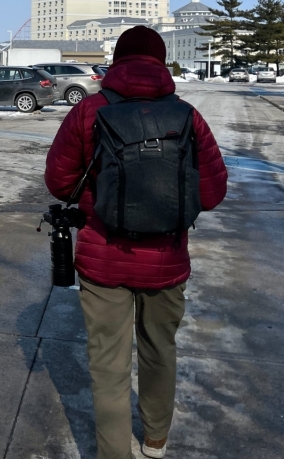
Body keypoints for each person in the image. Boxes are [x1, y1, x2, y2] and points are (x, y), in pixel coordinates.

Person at [45, 26, 228, 459]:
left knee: (108, 366)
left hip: (103, 258)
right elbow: (213, 193)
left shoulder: (89, 112)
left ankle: (113, 453)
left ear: (119, 60)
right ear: (161, 62)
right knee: (159, 352)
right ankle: (156, 440)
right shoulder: (187, 115)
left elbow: (58, 181)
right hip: (166, 260)